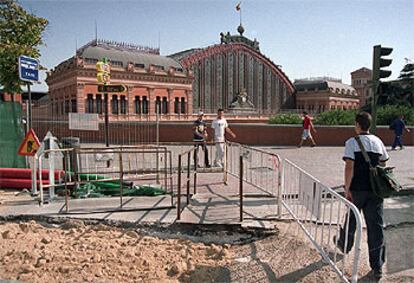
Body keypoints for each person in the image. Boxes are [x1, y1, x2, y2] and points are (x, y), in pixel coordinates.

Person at [337, 112, 389, 280]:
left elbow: (349, 167)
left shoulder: (351, 143)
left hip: (357, 190)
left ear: (357, 125)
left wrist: (347, 188)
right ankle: (377, 266)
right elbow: (383, 163)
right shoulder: (377, 141)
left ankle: (344, 245)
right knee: (376, 227)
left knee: (351, 219)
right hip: (375, 191)